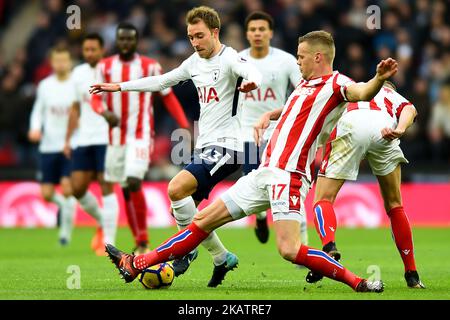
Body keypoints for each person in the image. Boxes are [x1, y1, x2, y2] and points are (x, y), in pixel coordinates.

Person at [101, 30, 398, 293]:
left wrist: (378, 79)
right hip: (263, 173)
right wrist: (270, 114)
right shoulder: (304, 86)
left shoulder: (337, 84)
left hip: (288, 177)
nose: (297, 61)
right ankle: (136, 264)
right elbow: (295, 112)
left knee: (289, 249)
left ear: (318, 57)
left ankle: (359, 282)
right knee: (202, 221)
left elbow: (362, 91)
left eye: (302, 56)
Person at [91, 6, 262, 287]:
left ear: (215, 32)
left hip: (230, 148)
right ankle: (222, 258)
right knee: (187, 213)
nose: (195, 42)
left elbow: (251, 69)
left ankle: (186, 253)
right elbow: (160, 81)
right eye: (191, 37)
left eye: (200, 36)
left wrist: (253, 81)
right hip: (206, 147)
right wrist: (119, 87)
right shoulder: (194, 62)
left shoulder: (230, 58)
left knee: (175, 188)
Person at [304, 81, 425, 288]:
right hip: (384, 128)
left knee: (324, 199)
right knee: (395, 205)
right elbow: (410, 109)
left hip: (350, 125)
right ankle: (412, 274)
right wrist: (400, 129)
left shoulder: (351, 87)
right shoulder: (391, 94)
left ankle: (329, 245)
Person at [92, 22, 190, 254]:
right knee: (126, 187)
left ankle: (144, 241)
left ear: (136, 41)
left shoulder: (150, 66)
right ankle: (139, 239)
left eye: (130, 39)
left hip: (141, 135)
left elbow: (167, 96)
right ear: (117, 41)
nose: (126, 43)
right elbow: (94, 98)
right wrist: (104, 112)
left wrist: (183, 124)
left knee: (134, 180)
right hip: (115, 138)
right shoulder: (105, 66)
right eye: (122, 39)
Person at [239, 11, 306, 245]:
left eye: (262, 29)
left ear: (270, 33)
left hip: (279, 131)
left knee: (282, 180)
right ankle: (259, 217)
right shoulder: (238, 60)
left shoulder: (286, 60)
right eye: (253, 30)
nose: (258, 33)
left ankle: (296, 236)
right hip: (248, 133)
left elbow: (303, 89)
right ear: (247, 34)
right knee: (252, 180)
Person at [64, 33, 120, 256]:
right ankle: (102, 222)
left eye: (93, 49)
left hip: (107, 137)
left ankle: (108, 243)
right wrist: (68, 139)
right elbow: (75, 108)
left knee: (106, 185)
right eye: (86, 50)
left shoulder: (112, 70)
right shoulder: (77, 73)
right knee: (77, 188)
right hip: (83, 139)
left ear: (102, 50)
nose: (89, 53)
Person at [28, 46, 77, 245]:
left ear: (69, 62)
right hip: (48, 145)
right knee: (47, 194)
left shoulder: (76, 84)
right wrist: (35, 128)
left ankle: (65, 234)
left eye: (64, 60)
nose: (60, 65)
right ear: (52, 62)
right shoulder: (45, 85)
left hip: (70, 145)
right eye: (56, 61)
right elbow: (38, 110)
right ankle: (66, 207)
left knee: (66, 188)